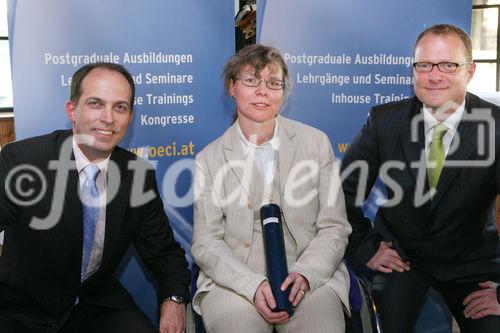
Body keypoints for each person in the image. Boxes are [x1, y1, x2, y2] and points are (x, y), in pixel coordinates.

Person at [0, 62, 190, 333]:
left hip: (94, 303)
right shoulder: (23, 161)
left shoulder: (136, 174)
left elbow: (163, 253)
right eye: (95, 103)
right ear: (72, 110)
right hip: (23, 310)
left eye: (120, 107)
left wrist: (174, 300)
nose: (108, 118)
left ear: (130, 116)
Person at [341, 24, 500, 332]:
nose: (434, 75)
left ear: (470, 71)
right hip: (402, 258)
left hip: (471, 264)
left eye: (448, 65)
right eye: (424, 65)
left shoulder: (495, 127)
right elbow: (342, 192)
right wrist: (366, 247)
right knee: (383, 325)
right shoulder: (385, 121)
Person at [191, 44, 351, 333]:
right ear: (232, 87)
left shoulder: (316, 144)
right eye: (251, 81)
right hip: (234, 282)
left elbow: (334, 227)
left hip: (309, 276)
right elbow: (206, 242)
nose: (262, 91)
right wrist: (251, 285)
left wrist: (305, 273)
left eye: (273, 83)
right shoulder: (208, 159)